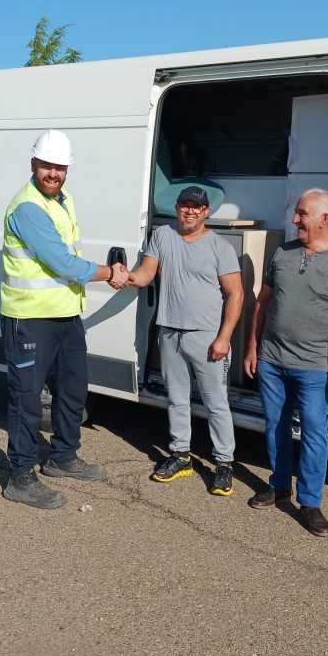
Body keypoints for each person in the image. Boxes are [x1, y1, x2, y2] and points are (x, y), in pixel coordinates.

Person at [0, 129, 128, 510]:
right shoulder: (28, 207)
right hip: (30, 317)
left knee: (73, 389)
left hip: (65, 313)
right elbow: (63, 262)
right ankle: (20, 476)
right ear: (33, 164)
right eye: (47, 166)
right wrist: (112, 272)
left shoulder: (62, 199)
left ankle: (62, 456)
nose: (53, 173)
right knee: (26, 399)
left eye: (60, 167)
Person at [243, 189, 328, 536]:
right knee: (275, 425)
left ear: (324, 219)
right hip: (272, 360)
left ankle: (310, 502)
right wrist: (252, 347)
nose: (295, 220)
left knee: (313, 432)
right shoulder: (283, 252)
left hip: (314, 366)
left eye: (302, 214)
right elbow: (263, 302)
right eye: (297, 213)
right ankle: (279, 486)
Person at [125, 186, 244, 495]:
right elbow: (146, 274)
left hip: (207, 337)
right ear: (177, 208)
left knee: (216, 403)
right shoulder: (163, 236)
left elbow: (236, 294)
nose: (190, 211)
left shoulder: (220, 247)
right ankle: (181, 456)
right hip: (169, 331)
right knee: (176, 399)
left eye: (197, 207)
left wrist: (224, 338)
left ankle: (224, 465)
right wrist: (123, 276)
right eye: (185, 206)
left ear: (206, 212)